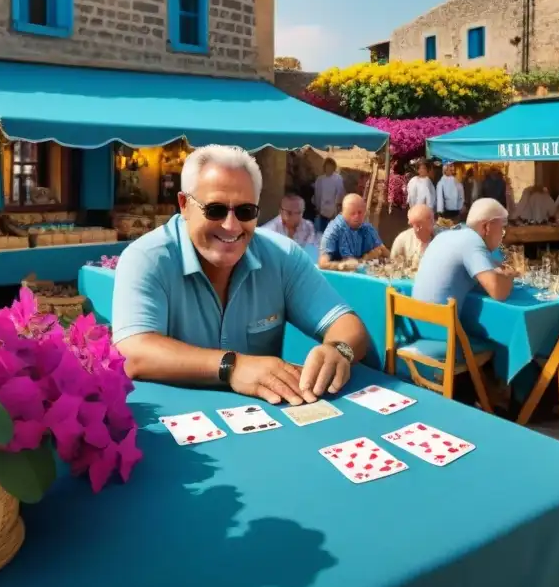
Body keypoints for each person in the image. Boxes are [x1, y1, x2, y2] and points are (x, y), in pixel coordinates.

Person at [112, 145, 371, 406]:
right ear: (184, 204)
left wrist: (339, 351)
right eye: (215, 209)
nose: (231, 225)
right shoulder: (147, 257)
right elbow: (133, 351)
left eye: (245, 211)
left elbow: (347, 324)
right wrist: (232, 367)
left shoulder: (282, 255)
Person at [413, 198, 515, 308]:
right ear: (487, 227)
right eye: (501, 230)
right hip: (441, 323)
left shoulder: (445, 236)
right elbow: (498, 292)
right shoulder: (472, 240)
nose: (502, 236)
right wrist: (510, 276)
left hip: (415, 321)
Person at [319, 194, 388, 270]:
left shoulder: (367, 228)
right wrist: (343, 266)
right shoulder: (333, 230)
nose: (357, 217)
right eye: (352, 213)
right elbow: (323, 264)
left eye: (360, 212)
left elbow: (383, 250)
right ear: (344, 213)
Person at [312, 157, 346, 233]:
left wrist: (336, 209)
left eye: (330, 166)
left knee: (332, 232)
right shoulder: (320, 179)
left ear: (334, 167)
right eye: (327, 166)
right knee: (321, 232)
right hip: (322, 210)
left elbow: (340, 192)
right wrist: (318, 207)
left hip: (333, 210)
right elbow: (317, 194)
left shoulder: (338, 178)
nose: (329, 168)